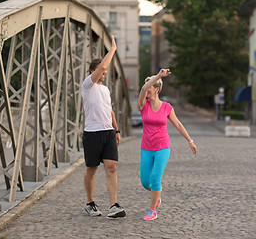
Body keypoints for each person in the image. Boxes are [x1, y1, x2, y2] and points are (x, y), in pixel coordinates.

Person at [138, 69, 197, 220]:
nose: (146, 90)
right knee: (146, 182)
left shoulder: (167, 107)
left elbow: (177, 124)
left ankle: (152, 210)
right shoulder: (143, 105)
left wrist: (190, 141)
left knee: (155, 178)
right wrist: (157, 76)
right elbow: (144, 89)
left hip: (163, 147)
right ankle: (156, 194)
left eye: (150, 87)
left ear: (156, 89)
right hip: (146, 147)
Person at [81, 35, 126, 218]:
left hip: (107, 132)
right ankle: (90, 203)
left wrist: (116, 130)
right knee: (92, 169)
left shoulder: (105, 90)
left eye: (106, 72)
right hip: (92, 133)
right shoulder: (87, 85)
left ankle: (113, 205)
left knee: (112, 167)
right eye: (101, 71)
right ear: (93, 71)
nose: (104, 74)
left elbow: (110, 111)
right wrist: (113, 49)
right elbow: (102, 67)